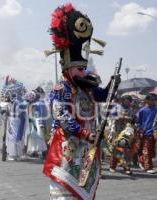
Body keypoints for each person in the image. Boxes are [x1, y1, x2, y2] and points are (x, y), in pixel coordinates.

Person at [42, 4, 120, 199]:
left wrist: (113, 83)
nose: (83, 72)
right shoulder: (62, 88)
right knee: (63, 195)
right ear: (68, 68)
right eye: (79, 69)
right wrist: (86, 134)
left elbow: (103, 95)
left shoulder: (87, 87)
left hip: (87, 151)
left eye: (84, 69)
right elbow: (63, 116)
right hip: (67, 151)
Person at [107, 95, 139, 175]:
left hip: (127, 132)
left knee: (125, 150)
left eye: (129, 100)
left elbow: (134, 119)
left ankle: (126, 167)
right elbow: (111, 117)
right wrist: (120, 117)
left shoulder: (131, 109)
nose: (127, 102)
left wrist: (131, 119)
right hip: (116, 131)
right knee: (115, 149)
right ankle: (112, 166)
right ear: (122, 100)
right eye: (126, 100)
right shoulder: (117, 107)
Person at [137, 93, 157, 174]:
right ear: (147, 101)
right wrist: (140, 130)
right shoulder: (142, 110)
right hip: (146, 133)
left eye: (155, 100)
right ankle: (148, 167)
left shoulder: (156, 109)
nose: (154, 102)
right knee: (147, 150)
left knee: (152, 151)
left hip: (155, 133)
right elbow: (138, 122)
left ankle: (141, 161)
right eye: (152, 100)